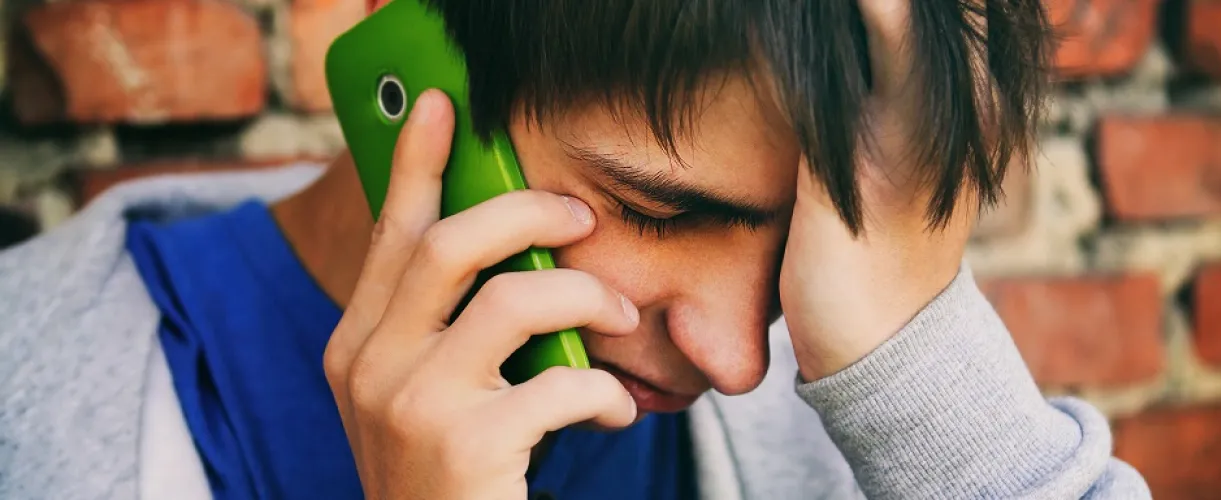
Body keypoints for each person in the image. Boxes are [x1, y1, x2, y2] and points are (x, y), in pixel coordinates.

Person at [0, 0, 1152, 498]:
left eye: (797, 236)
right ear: (418, 66)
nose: (737, 363)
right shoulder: (31, 404)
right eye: (659, 210)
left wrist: (919, 366)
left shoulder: (850, 431)